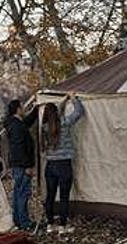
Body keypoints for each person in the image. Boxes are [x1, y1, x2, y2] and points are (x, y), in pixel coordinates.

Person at [43, 92, 85, 234]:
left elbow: (56, 115)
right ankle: (62, 226)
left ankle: (50, 224)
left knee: (50, 195)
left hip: (50, 166)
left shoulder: (44, 128)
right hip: (63, 165)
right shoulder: (64, 123)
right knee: (64, 197)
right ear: (56, 113)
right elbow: (79, 112)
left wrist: (63, 102)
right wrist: (73, 99)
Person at [4, 99, 39, 230]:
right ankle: (24, 222)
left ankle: (18, 220)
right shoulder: (17, 126)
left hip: (17, 164)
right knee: (23, 193)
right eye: (22, 107)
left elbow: (27, 122)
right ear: (18, 109)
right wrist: (27, 166)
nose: (24, 109)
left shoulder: (15, 124)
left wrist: (35, 109)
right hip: (22, 165)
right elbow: (20, 147)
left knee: (18, 193)